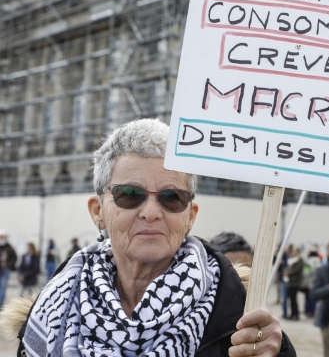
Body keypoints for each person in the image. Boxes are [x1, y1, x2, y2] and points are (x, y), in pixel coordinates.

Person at [5, 119, 295, 356]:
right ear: (98, 212)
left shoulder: (238, 314)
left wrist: (278, 352)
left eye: (172, 197)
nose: (152, 212)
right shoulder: (52, 310)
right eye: (130, 195)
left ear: (190, 216)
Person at [283, 244, 304, 321]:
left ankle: (296, 314)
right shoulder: (291, 260)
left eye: (295, 251)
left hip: (295, 282)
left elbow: (296, 270)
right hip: (290, 282)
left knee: (294, 299)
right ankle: (292, 314)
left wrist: (288, 273)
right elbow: (287, 268)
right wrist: (285, 272)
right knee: (291, 299)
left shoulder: (299, 260)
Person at [0, 230, 17, 307]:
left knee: (3, 287)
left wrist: (9, 265)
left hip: (6, 270)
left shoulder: (9, 247)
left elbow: (14, 258)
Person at [303, 249, 321, 318]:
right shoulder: (319, 262)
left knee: (308, 298)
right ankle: (313, 311)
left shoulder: (308, 262)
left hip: (309, 283)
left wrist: (303, 283)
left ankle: (309, 311)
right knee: (314, 299)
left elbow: (305, 273)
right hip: (317, 283)